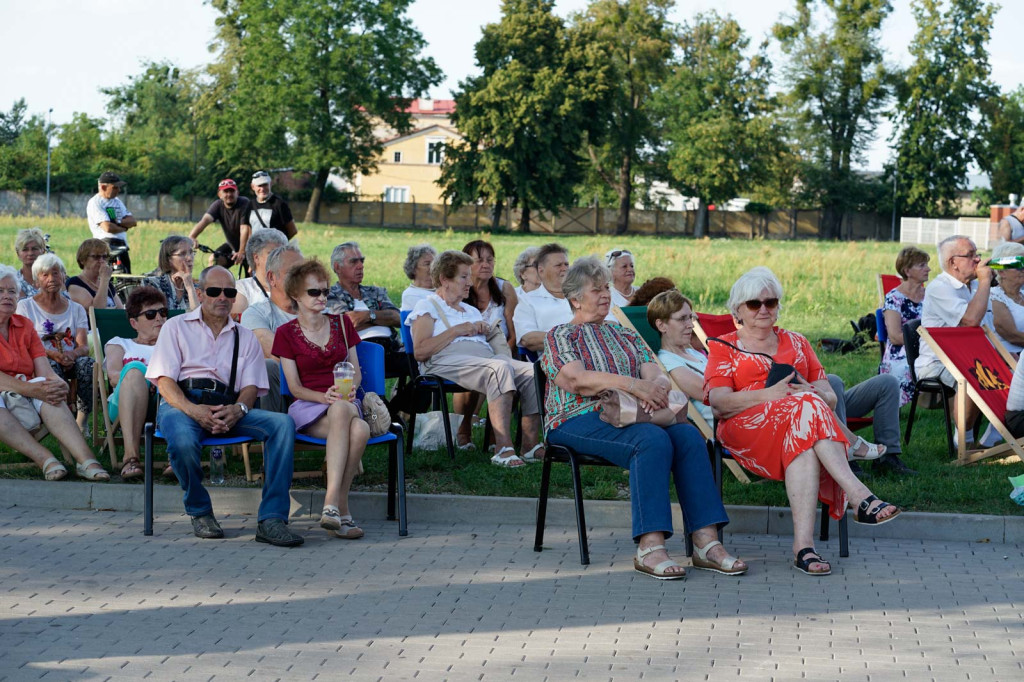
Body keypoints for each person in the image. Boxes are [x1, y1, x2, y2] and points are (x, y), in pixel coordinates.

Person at [543, 257, 745, 579]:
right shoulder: (561, 336)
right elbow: (576, 380)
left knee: (689, 436)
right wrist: (634, 385)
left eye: (607, 287)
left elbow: (654, 370)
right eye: (596, 290)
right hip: (576, 419)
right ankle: (650, 547)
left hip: (632, 414)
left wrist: (659, 387)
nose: (605, 294)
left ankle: (706, 542)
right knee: (650, 440)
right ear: (575, 299)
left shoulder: (624, 334)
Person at [705, 267, 901, 576]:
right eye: (755, 304)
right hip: (745, 429)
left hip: (799, 425)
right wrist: (770, 395)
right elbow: (719, 404)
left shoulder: (796, 342)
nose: (764, 309)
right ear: (738, 310)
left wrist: (811, 393)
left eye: (771, 302)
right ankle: (858, 492)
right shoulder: (723, 346)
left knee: (806, 428)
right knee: (806, 409)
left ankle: (804, 549)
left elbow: (830, 395)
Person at [147, 265, 303, 546]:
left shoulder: (244, 336)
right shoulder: (176, 327)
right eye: (214, 291)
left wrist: (239, 410)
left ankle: (272, 519)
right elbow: (165, 383)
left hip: (227, 407)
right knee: (182, 440)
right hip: (183, 404)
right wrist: (194, 411)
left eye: (229, 292)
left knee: (282, 424)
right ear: (199, 293)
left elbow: (250, 387)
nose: (222, 297)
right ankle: (200, 511)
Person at [407, 250, 544, 466]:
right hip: (444, 360)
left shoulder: (470, 310)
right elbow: (421, 351)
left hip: (483, 358)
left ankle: (529, 445)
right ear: (444, 279)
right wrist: (457, 330)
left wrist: (484, 329)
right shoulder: (427, 305)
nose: (469, 282)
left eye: (469, 276)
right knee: (498, 368)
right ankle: (503, 448)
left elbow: (491, 344)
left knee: (534, 371)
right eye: (463, 276)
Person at [273, 259, 369, 539]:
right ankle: (340, 507)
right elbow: (294, 388)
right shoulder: (286, 334)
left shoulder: (342, 323)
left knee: (346, 413)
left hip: (344, 402)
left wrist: (351, 390)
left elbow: (357, 373)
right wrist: (323, 397)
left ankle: (333, 507)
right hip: (308, 405)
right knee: (359, 429)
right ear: (296, 296)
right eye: (314, 292)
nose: (322, 298)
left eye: (325, 292)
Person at [0, 264, 109, 482]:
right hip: (9, 392)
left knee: (50, 389)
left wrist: (58, 383)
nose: (7, 296)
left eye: (12, 291)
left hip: (26, 391)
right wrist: (31, 389)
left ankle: (86, 460)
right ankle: (45, 458)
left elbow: (44, 369)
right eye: (0, 291)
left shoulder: (24, 325)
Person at [916, 235, 993, 441]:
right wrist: (986, 281)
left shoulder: (974, 287)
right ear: (953, 263)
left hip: (966, 358)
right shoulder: (940, 287)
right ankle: (964, 444)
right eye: (971, 255)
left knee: (1010, 372)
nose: (978, 260)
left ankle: (995, 438)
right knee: (975, 376)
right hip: (937, 361)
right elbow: (970, 321)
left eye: (978, 254)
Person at [16, 254, 94, 430]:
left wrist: (71, 354)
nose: (51, 279)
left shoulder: (76, 309)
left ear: (64, 277)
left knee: (88, 365)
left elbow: (83, 346)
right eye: (45, 275)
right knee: (51, 366)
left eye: (56, 273)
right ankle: (61, 419)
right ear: (36, 282)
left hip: (70, 359)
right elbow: (24, 344)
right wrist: (53, 355)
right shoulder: (25, 307)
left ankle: (82, 421)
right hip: (41, 361)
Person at [104, 286, 169, 480]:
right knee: (133, 371)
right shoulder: (121, 343)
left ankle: (175, 457)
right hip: (125, 401)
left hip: (166, 400)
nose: (159, 318)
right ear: (134, 323)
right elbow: (115, 376)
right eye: (150, 314)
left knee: (174, 379)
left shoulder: (175, 344)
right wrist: (145, 378)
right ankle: (130, 457)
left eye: (163, 312)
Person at [514, 244, 617, 353]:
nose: (564, 268)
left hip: (600, 352)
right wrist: (573, 336)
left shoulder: (588, 293)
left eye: (566, 264)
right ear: (541, 271)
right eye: (558, 265)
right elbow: (529, 339)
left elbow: (612, 323)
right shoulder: (527, 301)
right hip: (557, 358)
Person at [240, 244, 304, 413]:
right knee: (269, 366)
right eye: (294, 273)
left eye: (304, 272)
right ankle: (276, 434)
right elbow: (275, 353)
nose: (302, 279)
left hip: (324, 388)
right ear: (272, 277)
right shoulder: (255, 313)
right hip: (285, 393)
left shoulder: (320, 311)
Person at [326, 242, 404, 377]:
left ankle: (401, 399)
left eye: (361, 261)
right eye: (353, 262)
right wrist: (382, 318)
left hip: (392, 348)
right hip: (358, 352)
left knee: (423, 367)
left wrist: (368, 316)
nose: (361, 266)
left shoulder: (375, 291)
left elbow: (397, 318)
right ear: (337, 267)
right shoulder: (330, 295)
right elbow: (345, 324)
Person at [648, 289, 713, 424]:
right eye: (682, 319)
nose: (690, 325)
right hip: (726, 425)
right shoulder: (668, 362)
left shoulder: (693, 353)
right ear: (661, 325)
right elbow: (708, 393)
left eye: (690, 317)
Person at [880, 246, 929, 406]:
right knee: (909, 370)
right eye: (922, 265)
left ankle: (960, 423)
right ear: (907, 271)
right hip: (901, 353)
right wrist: (926, 343)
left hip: (928, 349)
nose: (928, 269)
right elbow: (894, 337)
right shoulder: (894, 298)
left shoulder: (930, 296)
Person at [188, 178, 252, 267]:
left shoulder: (245, 203)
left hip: (249, 246)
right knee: (214, 259)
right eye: (226, 191)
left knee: (250, 277)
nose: (229, 194)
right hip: (231, 245)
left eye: (232, 191)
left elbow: (244, 228)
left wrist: (241, 251)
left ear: (237, 192)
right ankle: (217, 280)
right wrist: (192, 237)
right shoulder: (218, 205)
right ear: (219, 194)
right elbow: (205, 220)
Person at [86, 171, 137, 273]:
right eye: (115, 187)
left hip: (122, 246)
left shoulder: (117, 201)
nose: (119, 190)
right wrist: (124, 227)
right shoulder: (95, 202)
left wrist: (116, 222)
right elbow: (108, 227)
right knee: (110, 276)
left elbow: (132, 221)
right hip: (106, 245)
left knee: (126, 277)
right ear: (103, 187)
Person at [233, 229, 289, 317]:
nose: (279, 258)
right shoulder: (242, 289)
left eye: (282, 252)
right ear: (256, 258)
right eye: (272, 253)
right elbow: (239, 325)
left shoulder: (294, 288)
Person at [66, 239, 123, 314]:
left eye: (104, 257)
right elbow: (97, 311)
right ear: (83, 260)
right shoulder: (74, 283)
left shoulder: (107, 285)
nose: (101, 260)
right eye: (96, 257)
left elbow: (121, 312)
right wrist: (104, 280)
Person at [144, 236, 199, 312]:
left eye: (191, 252)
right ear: (168, 259)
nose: (189, 258)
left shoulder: (197, 288)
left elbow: (198, 318)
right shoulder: (153, 284)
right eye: (182, 254)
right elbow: (156, 318)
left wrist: (190, 287)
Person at [988, 242, 1024, 356]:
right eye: (1019, 265)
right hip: (1009, 360)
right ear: (1002, 271)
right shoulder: (993, 297)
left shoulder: (1022, 294)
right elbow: (1011, 335)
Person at [248, 171, 298, 240]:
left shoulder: (279, 204)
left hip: (274, 249)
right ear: (253, 187)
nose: (262, 189)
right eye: (259, 185)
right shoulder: (250, 205)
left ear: (270, 184)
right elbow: (248, 229)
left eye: (265, 184)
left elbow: (293, 231)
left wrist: (279, 244)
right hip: (255, 249)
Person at [400, 244, 436, 312]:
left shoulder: (443, 289)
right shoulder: (410, 295)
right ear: (414, 269)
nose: (433, 267)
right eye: (427, 264)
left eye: (434, 263)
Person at [13, 227, 47, 299]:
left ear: (43, 251)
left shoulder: (53, 279)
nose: (30, 253)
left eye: (34, 249)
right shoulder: (13, 281)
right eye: (25, 249)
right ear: (18, 253)